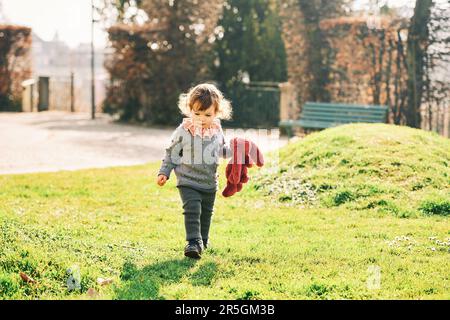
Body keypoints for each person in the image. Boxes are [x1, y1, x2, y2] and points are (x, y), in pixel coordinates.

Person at [156, 83, 233, 259]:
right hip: (188, 180)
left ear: (216, 113)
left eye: (208, 114)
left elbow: (221, 150)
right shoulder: (184, 130)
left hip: (209, 181)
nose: (202, 118)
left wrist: (233, 151)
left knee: (206, 212)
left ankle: (202, 241)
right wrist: (164, 172)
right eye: (197, 113)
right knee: (192, 210)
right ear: (189, 109)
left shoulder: (217, 129)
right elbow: (172, 152)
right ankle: (192, 242)